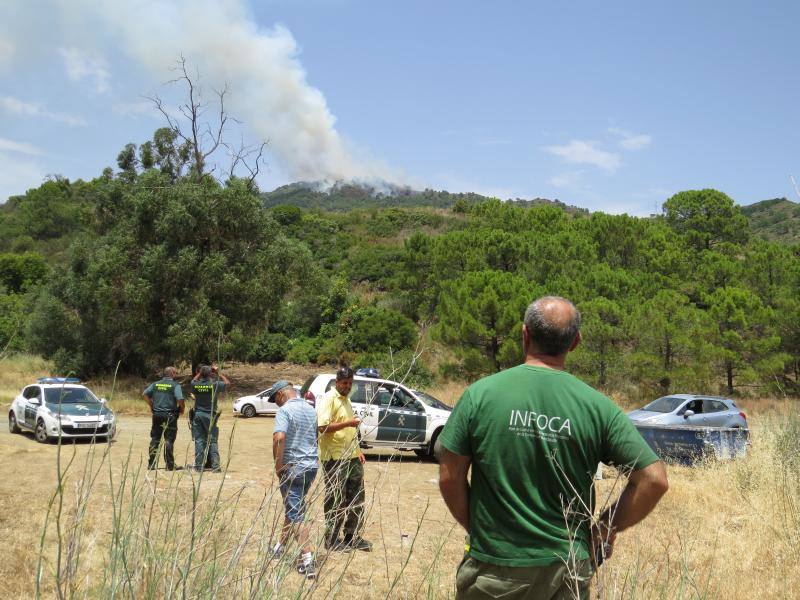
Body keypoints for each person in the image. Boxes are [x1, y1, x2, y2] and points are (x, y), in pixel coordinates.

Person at [438, 296, 669, 600]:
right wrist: (602, 529)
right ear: (575, 342)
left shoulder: (480, 395)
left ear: (524, 334)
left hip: (496, 569)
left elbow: (449, 476)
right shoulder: (598, 407)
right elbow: (654, 479)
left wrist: (480, 530)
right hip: (567, 570)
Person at [317, 366, 372, 552]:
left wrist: (358, 451)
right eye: (344, 383)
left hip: (352, 457)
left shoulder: (346, 400)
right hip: (334, 458)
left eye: (350, 383)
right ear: (337, 381)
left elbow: (350, 432)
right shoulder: (329, 399)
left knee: (357, 497)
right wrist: (349, 423)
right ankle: (331, 540)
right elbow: (322, 427)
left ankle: (351, 537)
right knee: (336, 499)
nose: (347, 386)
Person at [271, 380, 320, 579]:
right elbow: (315, 437)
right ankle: (279, 547)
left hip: (293, 468)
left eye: (275, 400)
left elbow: (279, 438)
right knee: (293, 507)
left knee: (296, 513)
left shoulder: (284, 411)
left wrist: (278, 465)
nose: (277, 404)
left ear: (282, 394)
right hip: (310, 467)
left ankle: (307, 561)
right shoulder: (310, 410)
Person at [143, 366, 185, 471]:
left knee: (155, 439)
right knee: (169, 440)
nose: (176, 374)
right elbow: (180, 399)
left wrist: (152, 405)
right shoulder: (175, 385)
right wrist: (182, 408)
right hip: (170, 416)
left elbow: (144, 395)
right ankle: (170, 465)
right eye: (175, 372)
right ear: (171, 374)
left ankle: (151, 464)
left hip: (157, 415)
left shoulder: (155, 384)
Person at [189, 364, 229, 472]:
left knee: (199, 441)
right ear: (210, 373)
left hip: (198, 415)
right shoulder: (214, 385)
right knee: (213, 440)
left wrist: (200, 373)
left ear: (201, 374)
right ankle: (215, 466)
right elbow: (227, 383)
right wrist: (218, 372)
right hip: (211, 415)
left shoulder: (196, 385)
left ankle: (198, 466)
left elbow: (193, 381)